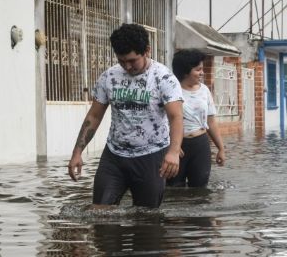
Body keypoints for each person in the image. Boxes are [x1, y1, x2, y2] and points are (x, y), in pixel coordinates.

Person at [67, 23, 183, 208]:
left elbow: (176, 117)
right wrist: (77, 152)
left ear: (147, 50)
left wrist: (174, 152)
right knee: (100, 214)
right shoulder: (109, 77)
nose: (127, 67)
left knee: (146, 221)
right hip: (114, 156)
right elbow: (94, 116)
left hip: (151, 156)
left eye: (132, 60)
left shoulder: (163, 78)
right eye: (122, 61)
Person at [167, 48, 226, 188]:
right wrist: (172, 145)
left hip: (200, 144)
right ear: (186, 71)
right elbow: (161, 121)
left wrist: (221, 148)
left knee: (200, 189)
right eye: (198, 70)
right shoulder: (171, 91)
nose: (202, 73)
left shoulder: (204, 90)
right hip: (178, 145)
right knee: (174, 188)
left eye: (202, 69)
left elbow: (211, 121)